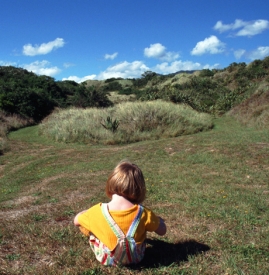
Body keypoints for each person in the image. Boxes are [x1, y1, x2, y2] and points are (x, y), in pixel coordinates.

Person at [74, 160, 166, 266]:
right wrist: (159, 221)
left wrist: (85, 212)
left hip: (106, 258)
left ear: (111, 183)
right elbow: (162, 231)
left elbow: (76, 221)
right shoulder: (144, 213)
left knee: (91, 226)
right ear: (139, 189)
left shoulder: (95, 212)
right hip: (136, 258)